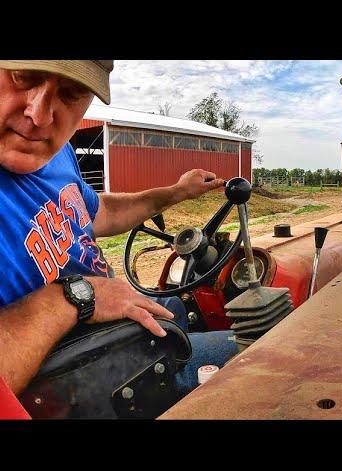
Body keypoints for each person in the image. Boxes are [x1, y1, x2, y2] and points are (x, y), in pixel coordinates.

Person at [0, 60, 238, 403]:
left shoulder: (53, 152)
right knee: (256, 351)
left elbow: (100, 211)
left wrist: (177, 192)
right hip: (83, 385)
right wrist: (75, 297)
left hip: (117, 331)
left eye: (70, 93)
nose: (40, 115)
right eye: (24, 77)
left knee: (176, 306)